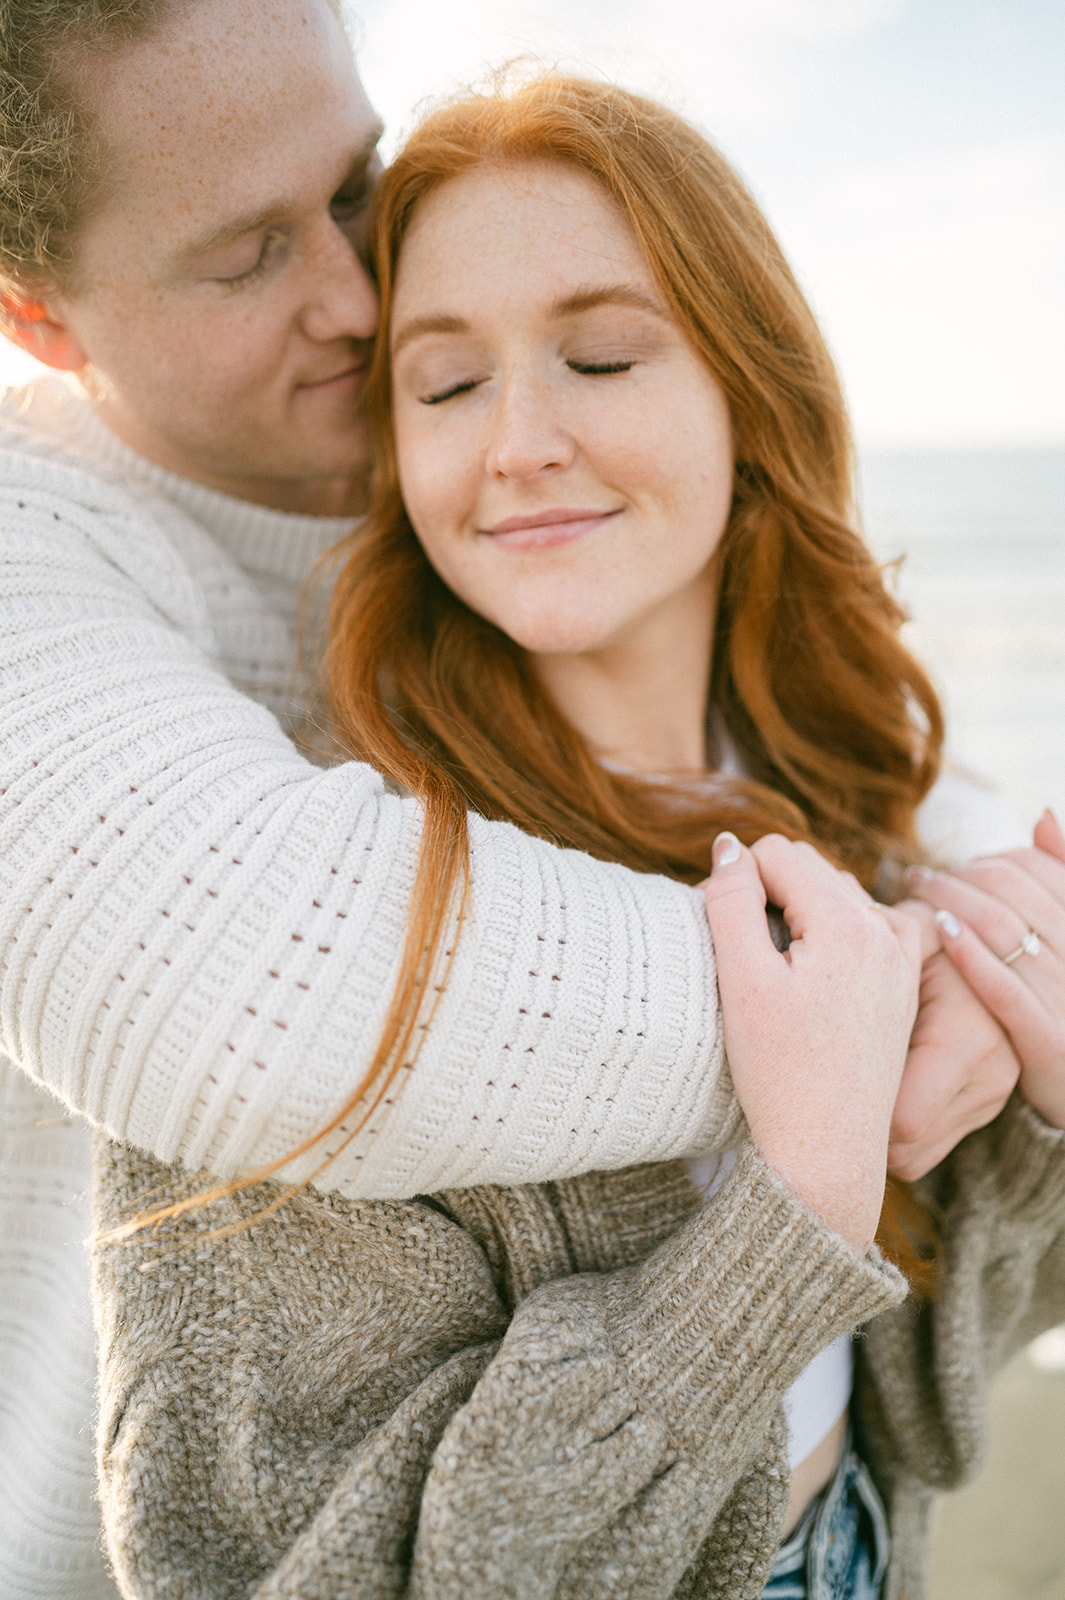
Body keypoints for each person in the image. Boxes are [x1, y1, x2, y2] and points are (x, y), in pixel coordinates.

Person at [2, 3, 1030, 1592]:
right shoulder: (300, 851)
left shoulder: (823, 789)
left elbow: (930, 1374)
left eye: (355, 191)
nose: (357, 296)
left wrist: (1015, 1030)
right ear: (42, 314)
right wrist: (845, 1075)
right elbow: (243, 995)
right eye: (444, 385)